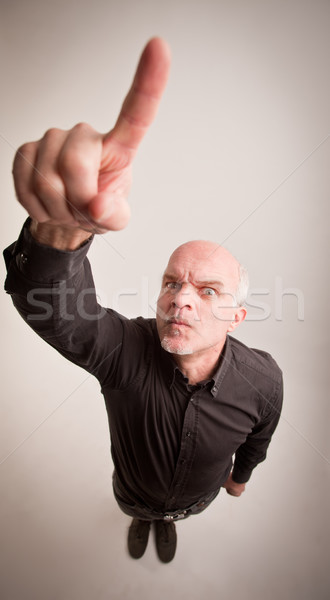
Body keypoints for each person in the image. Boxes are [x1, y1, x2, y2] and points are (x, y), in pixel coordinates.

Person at [4, 38, 283, 563]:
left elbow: (257, 440)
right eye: (172, 282)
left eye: (207, 290)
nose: (181, 300)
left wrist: (239, 478)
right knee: (141, 508)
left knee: (177, 512)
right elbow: (61, 313)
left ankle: (168, 522)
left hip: (199, 500)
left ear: (237, 316)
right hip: (130, 490)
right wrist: (59, 233)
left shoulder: (265, 379)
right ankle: (143, 519)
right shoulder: (127, 348)